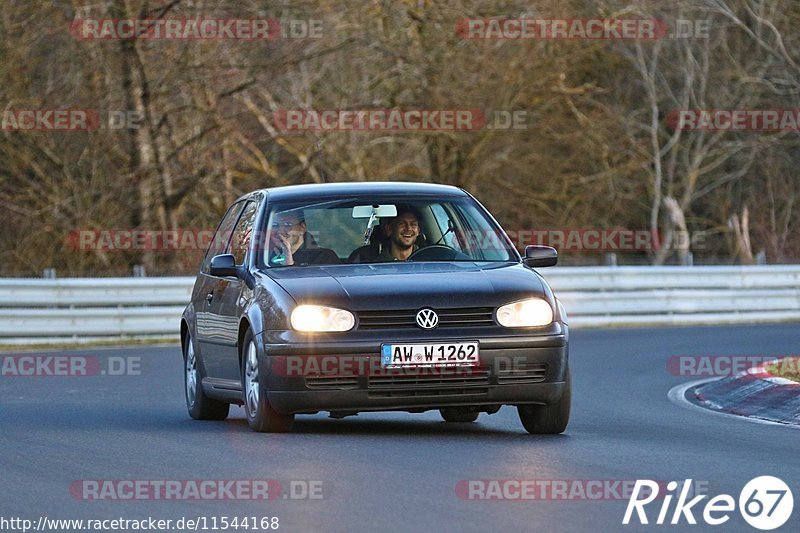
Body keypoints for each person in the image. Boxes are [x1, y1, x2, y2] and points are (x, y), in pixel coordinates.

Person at [268, 209, 339, 266]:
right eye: (275, 225)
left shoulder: (325, 258)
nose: (280, 231)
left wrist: (290, 265)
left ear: (302, 228)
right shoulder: (262, 258)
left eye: (288, 225)